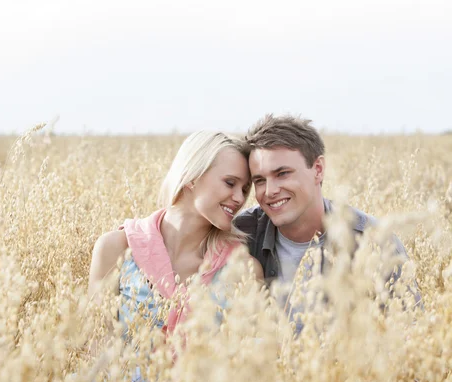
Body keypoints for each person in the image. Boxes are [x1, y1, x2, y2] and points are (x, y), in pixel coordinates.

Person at [88, 130, 263, 339]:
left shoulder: (242, 269)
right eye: (230, 183)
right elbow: (97, 347)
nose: (239, 198)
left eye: (244, 190)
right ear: (192, 177)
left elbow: (248, 363)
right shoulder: (116, 248)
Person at [233, 114, 421, 304]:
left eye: (282, 174)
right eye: (259, 180)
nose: (270, 191)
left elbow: (409, 327)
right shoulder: (241, 234)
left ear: (318, 169)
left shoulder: (373, 240)